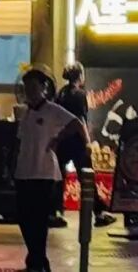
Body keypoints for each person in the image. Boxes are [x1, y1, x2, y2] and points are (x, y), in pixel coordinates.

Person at [15, 69, 89, 272]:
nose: (30, 91)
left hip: (44, 173)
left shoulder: (52, 110)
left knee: (39, 220)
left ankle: (37, 262)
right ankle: (38, 259)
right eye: (27, 87)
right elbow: (20, 141)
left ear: (43, 88)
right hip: (23, 172)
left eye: (34, 86)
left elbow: (77, 124)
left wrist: (59, 138)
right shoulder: (25, 113)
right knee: (23, 218)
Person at [55, 62, 116, 228]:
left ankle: (55, 212)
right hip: (77, 140)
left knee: (59, 179)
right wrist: (87, 142)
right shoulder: (80, 95)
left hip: (62, 140)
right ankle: (99, 212)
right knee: (86, 178)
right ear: (79, 76)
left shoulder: (61, 94)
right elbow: (80, 120)